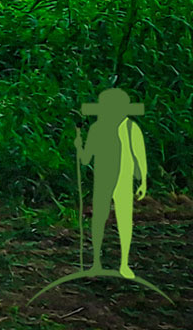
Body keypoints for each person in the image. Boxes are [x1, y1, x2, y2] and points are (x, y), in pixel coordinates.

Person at [75, 88, 148, 277]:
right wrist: (79, 147)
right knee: (99, 219)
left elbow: (139, 157)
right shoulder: (97, 129)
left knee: (124, 220)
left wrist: (142, 181)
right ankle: (96, 263)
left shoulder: (131, 128)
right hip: (103, 179)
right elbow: (85, 160)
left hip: (124, 180)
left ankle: (124, 264)